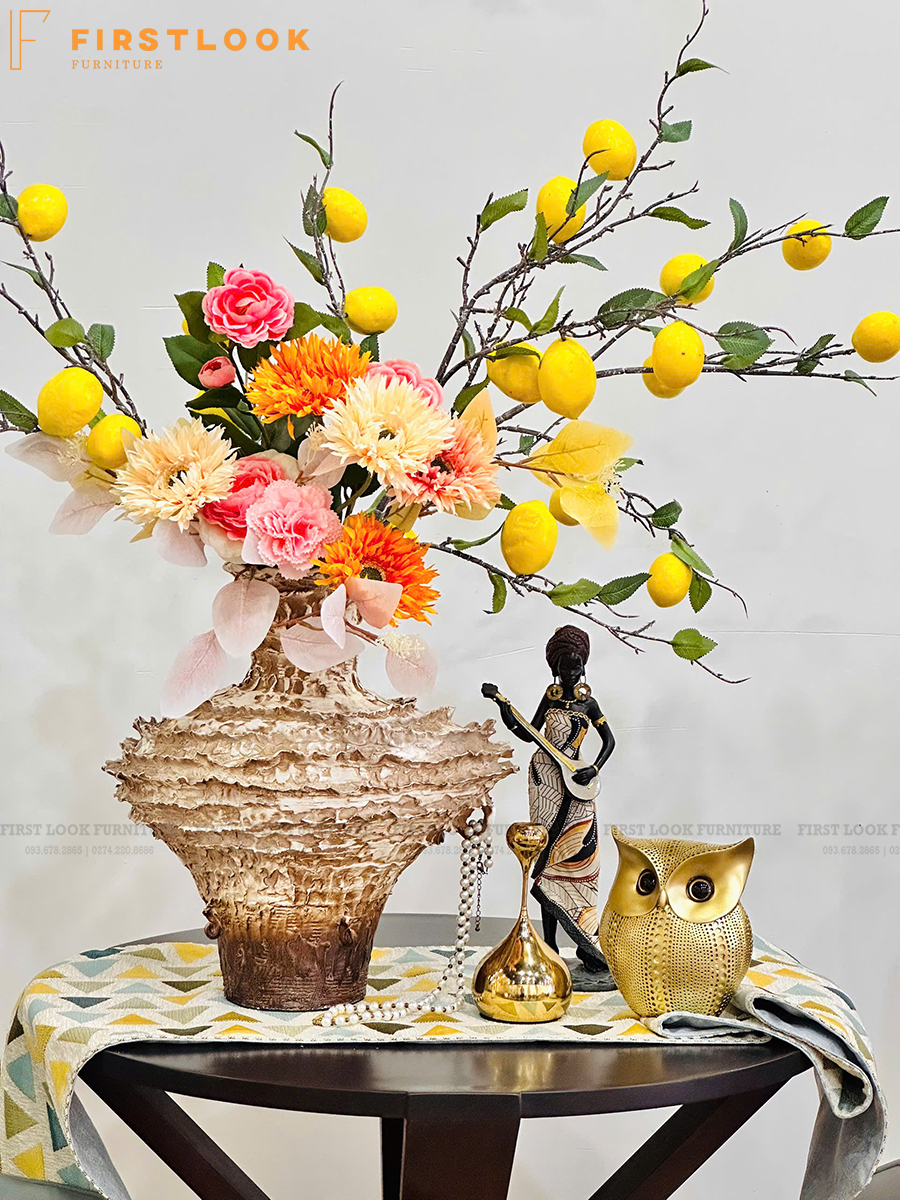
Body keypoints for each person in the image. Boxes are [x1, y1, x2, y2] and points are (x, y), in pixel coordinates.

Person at [482, 625, 615, 980]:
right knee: (544, 859)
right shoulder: (550, 699)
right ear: (555, 666)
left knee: (581, 855)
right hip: (545, 779)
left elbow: (609, 740)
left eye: (576, 665)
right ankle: (551, 947)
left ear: (584, 666)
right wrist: (503, 705)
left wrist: (593, 769)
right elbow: (528, 733)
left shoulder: (589, 704)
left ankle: (587, 941)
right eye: (564, 665)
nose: (570, 672)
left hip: (577, 782)